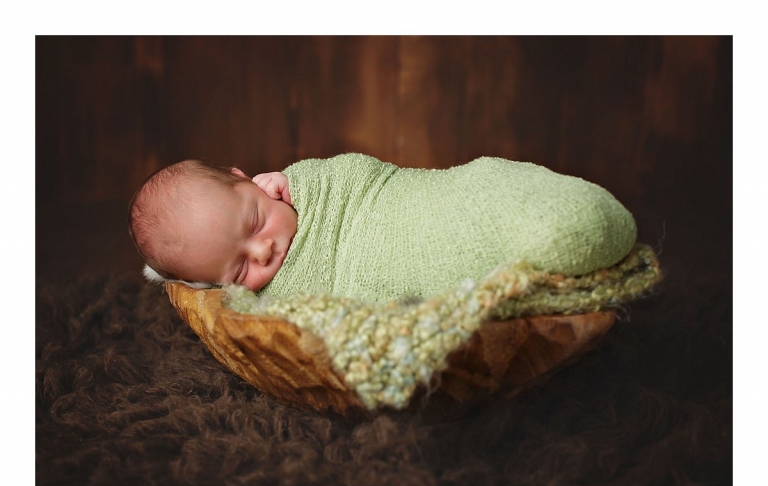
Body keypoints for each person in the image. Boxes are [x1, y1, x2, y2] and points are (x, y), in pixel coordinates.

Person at [130, 153, 637, 303]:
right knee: (469, 253)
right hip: (401, 265)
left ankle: (552, 210)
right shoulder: (271, 295)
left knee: (478, 191)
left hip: (413, 203)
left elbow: (366, 180)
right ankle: (551, 234)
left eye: (255, 222)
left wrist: (294, 180)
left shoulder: (305, 186)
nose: (263, 252)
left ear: (253, 182)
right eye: (239, 268)